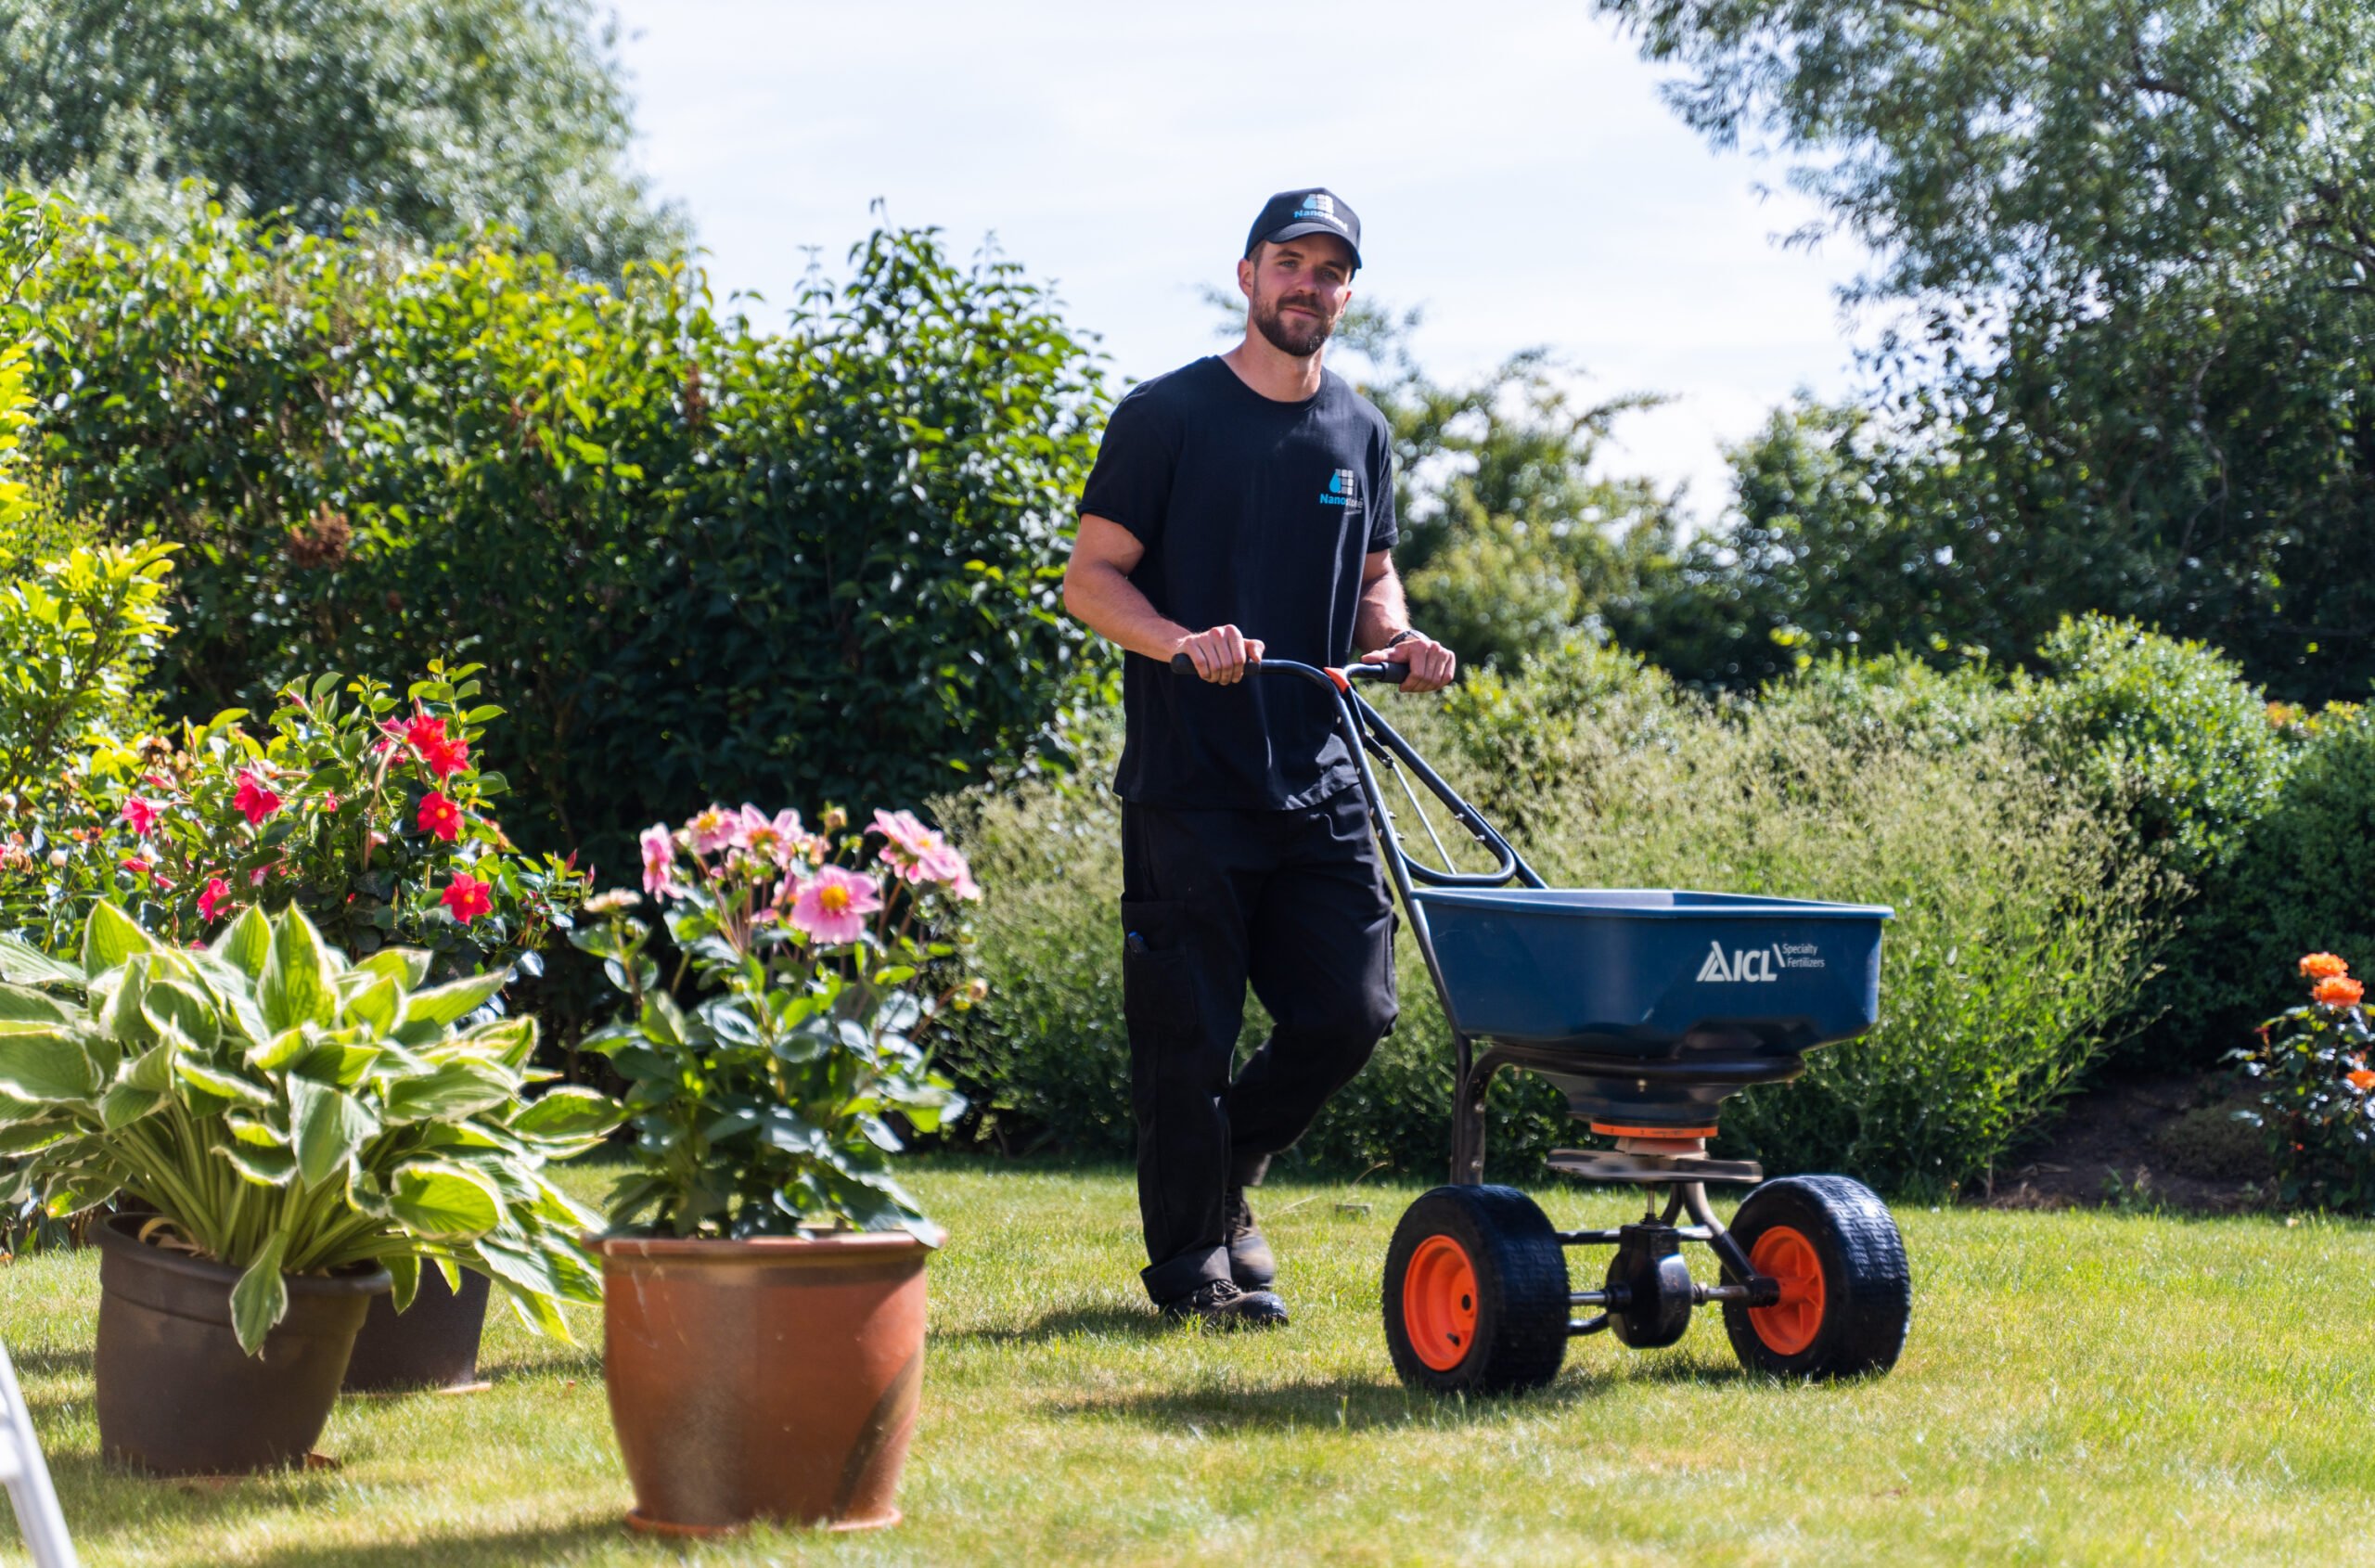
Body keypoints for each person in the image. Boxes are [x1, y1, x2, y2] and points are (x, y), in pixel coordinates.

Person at [1061, 188, 1457, 1330]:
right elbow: (1093, 581)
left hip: (1320, 774)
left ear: (1346, 294)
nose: (1308, 286)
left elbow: (1372, 578)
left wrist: (1398, 637)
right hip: (1190, 782)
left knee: (1353, 1010)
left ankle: (1224, 1169)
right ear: (1246, 276)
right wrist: (1182, 643)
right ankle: (1192, 1263)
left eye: (1330, 271)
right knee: (1187, 1033)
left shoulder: (1360, 431)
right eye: (1290, 262)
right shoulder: (1166, 416)